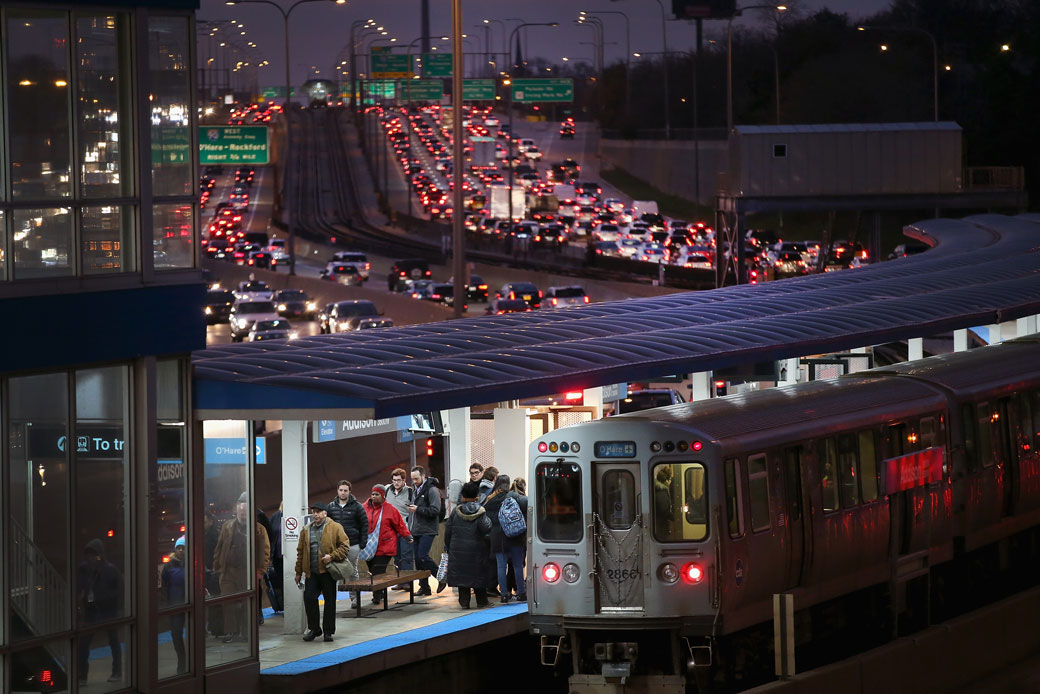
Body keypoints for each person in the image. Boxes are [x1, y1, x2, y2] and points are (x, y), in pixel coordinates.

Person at [213, 497, 270, 643]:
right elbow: (219, 548)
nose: (243, 514)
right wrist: (218, 567)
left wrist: (260, 572)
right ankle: (230, 631)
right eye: (241, 511)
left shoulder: (258, 529)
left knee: (247, 603)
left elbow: (265, 552)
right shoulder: (227, 526)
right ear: (236, 511)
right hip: (228, 571)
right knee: (227, 602)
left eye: (245, 512)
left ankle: (246, 632)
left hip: (248, 571)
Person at [294, 503, 349, 643]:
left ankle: (328, 631)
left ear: (325, 514)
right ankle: (314, 629)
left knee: (330, 601)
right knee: (309, 598)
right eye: (314, 512)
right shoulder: (306, 530)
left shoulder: (335, 527)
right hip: (311, 572)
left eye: (319, 512)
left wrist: (332, 556)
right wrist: (298, 571)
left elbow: (345, 546)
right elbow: (300, 552)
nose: (316, 514)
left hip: (328, 571)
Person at [77, 539, 123, 683]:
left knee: (113, 641)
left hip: (108, 610)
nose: (91, 558)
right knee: (84, 644)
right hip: (92, 611)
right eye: (89, 555)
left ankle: (117, 672)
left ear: (101, 555)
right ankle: (82, 675)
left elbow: (120, 590)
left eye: (94, 555)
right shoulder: (85, 569)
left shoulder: (110, 570)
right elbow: (79, 587)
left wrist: (116, 608)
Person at [444, 481, 492, 609]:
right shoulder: (481, 512)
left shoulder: (455, 511)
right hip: (477, 550)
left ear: (463, 497)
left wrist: (448, 547)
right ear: (477, 497)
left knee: (462, 577)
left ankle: (464, 603)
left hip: (458, 550)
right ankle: (482, 602)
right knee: (478, 576)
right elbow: (486, 528)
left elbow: (447, 531)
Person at [482, 474, 528, 603]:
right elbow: (528, 503)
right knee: (518, 566)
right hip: (515, 536)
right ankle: (521, 593)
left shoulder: (489, 500)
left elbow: (486, 520)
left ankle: (504, 595)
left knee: (501, 567)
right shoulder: (513, 496)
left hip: (497, 539)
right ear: (508, 484)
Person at [363, 485, 413, 605]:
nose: (374, 496)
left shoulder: (390, 509)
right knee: (372, 569)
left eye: (377, 494)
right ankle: (380, 592)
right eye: (373, 494)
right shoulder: (364, 508)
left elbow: (399, 524)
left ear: (383, 495)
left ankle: (377, 595)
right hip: (369, 547)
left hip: (385, 545)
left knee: (378, 570)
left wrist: (407, 536)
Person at [326, 480, 368, 610]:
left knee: (351, 571)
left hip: (353, 544)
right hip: (336, 546)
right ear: (337, 491)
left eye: (345, 490)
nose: (343, 493)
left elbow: (364, 524)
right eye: (341, 490)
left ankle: (355, 599)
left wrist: (362, 543)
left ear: (350, 492)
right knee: (334, 572)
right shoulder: (331, 507)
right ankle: (331, 599)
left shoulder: (357, 506)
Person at [408, 466, 442, 595]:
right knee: (418, 559)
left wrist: (418, 509)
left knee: (422, 556)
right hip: (416, 529)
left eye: (416, 478)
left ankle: (440, 577)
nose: (415, 481)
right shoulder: (415, 490)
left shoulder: (432, 490)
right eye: (413, 479)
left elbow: (435, 510)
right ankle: (424, 587)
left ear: (423, 476)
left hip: (428, 529)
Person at [383, 468, 415, 591]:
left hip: (405, 528)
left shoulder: (409, 492)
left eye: (398, 480)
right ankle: (400, 581)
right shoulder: (387, 491)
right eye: (394, 480)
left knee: (407, 555)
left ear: (403, 480)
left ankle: (408, 582)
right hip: (391, 530)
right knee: (397, 556)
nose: (396, 483)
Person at [160, 537, 188, 674]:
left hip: (190, 604)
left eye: (183, 548)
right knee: (176, 634)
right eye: (179, 548)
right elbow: (164, 587)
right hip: (175, 605)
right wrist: (167, 604)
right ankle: (182, 662)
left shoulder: (193, 563)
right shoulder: (169, 566)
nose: (181, 550)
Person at [654, 466, 675, 539]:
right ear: (666, 480)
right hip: (661, 526)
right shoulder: (662, 491)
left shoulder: (658, 489)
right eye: (670, 479)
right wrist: (674, 517)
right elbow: (664, 511)